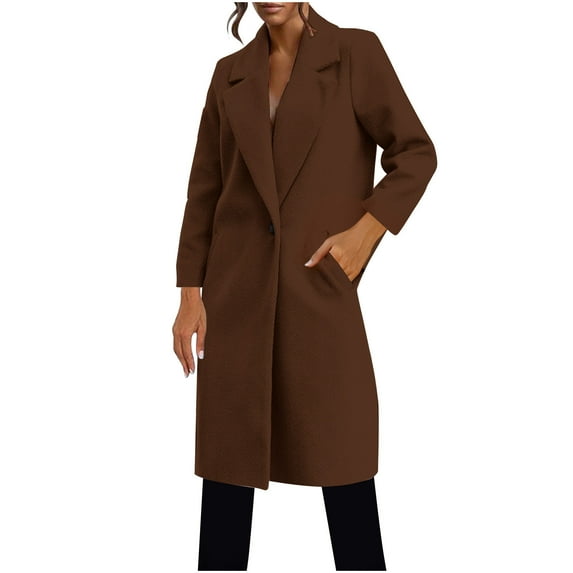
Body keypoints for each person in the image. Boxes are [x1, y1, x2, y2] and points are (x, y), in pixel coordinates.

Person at [173, 2, 437, 570]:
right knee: (227, 474)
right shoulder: (229, 73)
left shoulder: (354, 52)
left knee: (343, 461)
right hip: (234, 296)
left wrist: (365, 233)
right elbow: (206, 189)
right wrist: (190, 294)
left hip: (317, 290)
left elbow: (416, 153)